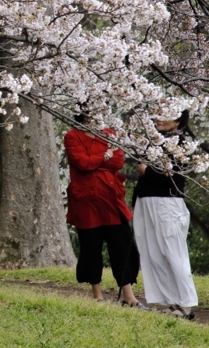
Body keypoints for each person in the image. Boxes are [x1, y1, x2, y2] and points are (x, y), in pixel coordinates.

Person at [64, 116, 146, 308]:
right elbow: (81, 163)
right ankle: (97, 294)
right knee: (91, 245)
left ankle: (128, 295)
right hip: (87, 200)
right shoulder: (72, 136)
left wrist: (99, 160)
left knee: (121, 244)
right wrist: (104, 156)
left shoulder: (109, 133)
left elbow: (117, 161)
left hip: (111, 198)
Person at [134, 110, 198, 319]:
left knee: (173, 251)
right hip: (147, 201)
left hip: (167, 202)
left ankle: (187, 304)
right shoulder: (155, 141)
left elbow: (174, 174)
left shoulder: (181, 143)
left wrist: (148, 172)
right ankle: (172, 302)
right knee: (154, 252)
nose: (159, 119)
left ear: (178, 121)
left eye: (166, 115)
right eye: (159, 114)